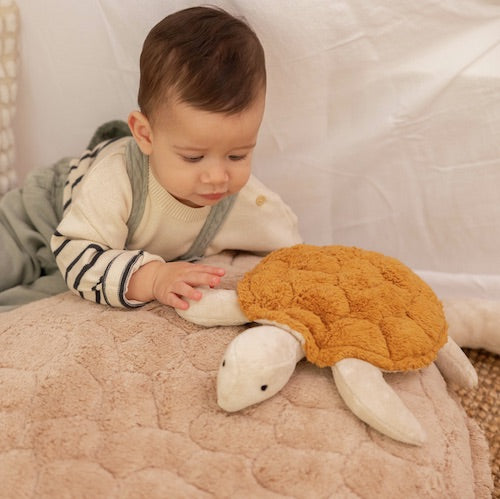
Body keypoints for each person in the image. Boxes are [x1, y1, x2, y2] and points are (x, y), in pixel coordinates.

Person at [45, 6, 302, 311]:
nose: (218, 176)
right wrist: (153, 278)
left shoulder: (247, 203)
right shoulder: (116, 178)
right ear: (145, 135)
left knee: (31, 299)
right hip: (42, 213)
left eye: (237, 155)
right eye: (194, 157)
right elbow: (75, 252)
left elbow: (295, 256)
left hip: (91, 253)